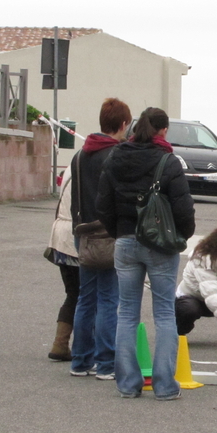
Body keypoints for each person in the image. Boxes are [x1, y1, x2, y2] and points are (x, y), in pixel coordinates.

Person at [96, 107, 195, 400]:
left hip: (125, 241)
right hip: (161, 244)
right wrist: (181, 235)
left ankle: (128, 384)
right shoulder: (168, 161)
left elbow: (103, 204)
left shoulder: (115, 157)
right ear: (163, 131)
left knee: (126, 313)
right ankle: (164, 386)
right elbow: (183, 208)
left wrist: (119, 231)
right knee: (164, 314)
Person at [68, 97, 132, 380]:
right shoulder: (117, 155)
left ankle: (80, 361)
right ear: (122, 124)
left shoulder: (80, 155)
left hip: (83, 233)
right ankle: (106, 363)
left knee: (85, 298)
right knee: (109, 299)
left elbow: (74, 199)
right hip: (109, 234)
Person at [45, 166, 79, 361]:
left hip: (60, 235)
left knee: (73, 293)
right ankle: (84, 346)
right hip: (80, 237)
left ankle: (60, 343)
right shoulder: (99, 162)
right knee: (91, 296)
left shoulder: (74, 163)